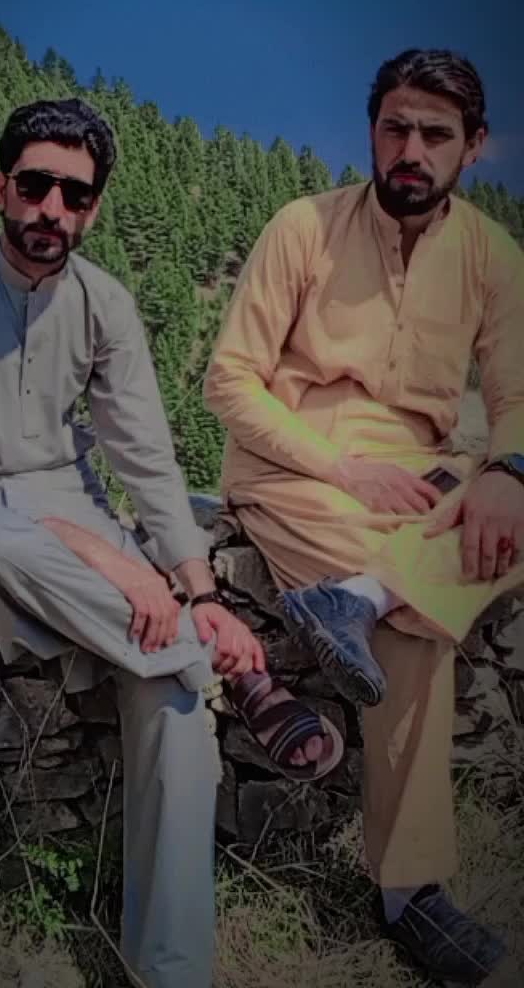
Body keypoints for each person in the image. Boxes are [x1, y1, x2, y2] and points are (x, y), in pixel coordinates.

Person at [0, 97, 343, 988]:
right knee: (2, 551)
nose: (52, 209)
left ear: (93, 209)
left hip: (69, 500)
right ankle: (223, 667)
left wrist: (196, 588)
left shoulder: (106, 304)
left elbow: (146, 460)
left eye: (76, 195)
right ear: (1, 188)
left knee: (172, 699)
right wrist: (121, 569)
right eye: (35, 186)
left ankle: (170, 970)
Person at [203, 49, 524, 986]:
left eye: (435, 134)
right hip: (296, 471)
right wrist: (344, 466)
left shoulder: (494, 258)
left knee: (502, 516)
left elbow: (516, 397)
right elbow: (230, 380)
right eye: (396, 128)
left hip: (421, 480)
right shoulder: (304, 227)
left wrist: (505, 471)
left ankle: (360, 597)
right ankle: (411, 893)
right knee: (423, 628)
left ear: (475, 145)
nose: (411, 150)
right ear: (373, 132)